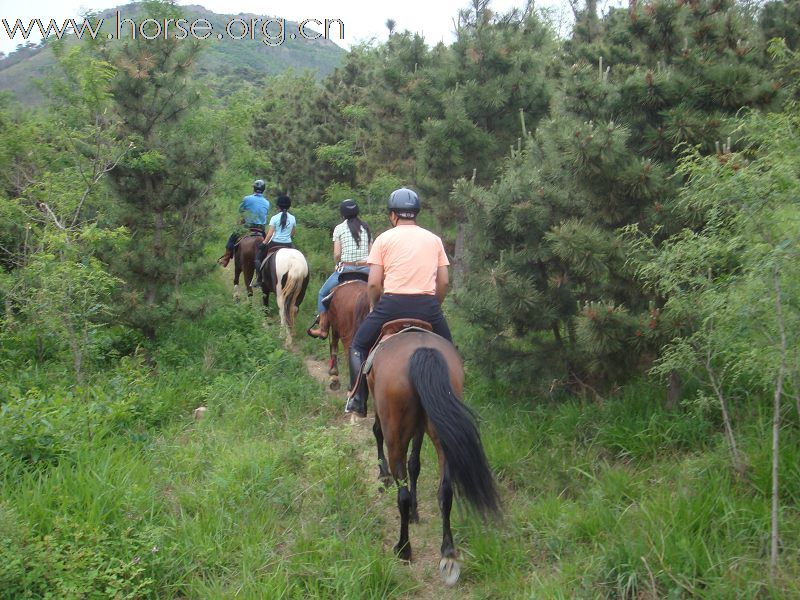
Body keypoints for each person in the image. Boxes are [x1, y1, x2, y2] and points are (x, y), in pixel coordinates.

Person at [344, 188, 452, 417]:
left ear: (393, 215)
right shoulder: (434, 240)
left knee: (358, 346)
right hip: (428, 307)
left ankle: (358, 398)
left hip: (391, 306)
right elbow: (443, 282)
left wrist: (375, 305)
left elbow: (373, 284)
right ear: (416, 213)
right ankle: (451, 396)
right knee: (450, 350)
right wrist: (435, 306)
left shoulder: (384, 239)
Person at [307, 199, 372, 339]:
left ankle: (323, 328)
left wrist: (338, 263)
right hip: (366, 269)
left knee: (322, 293)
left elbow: (337, 254)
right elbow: (371, 252)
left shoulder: (339, 228)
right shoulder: (366, 227)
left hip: (346, 269)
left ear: (342, 214)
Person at [219, 179, 270, 267]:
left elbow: (241, 211)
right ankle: (267, 264)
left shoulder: (247, 199)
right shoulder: (267, 202)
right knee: (267, 246)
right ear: (263, 190)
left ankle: (226, 258)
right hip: (260, 229)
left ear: (254, 188)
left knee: (232, 238)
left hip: (248, 227)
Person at [254, 195, 296, 287]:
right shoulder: (292, 218)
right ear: (289, 206)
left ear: (278, 206)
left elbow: (269, 234)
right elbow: (293, 233)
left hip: (274, 243)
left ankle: (259, 279)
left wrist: (263, 244)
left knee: (257, 259)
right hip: (288, 244)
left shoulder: (274, 218)